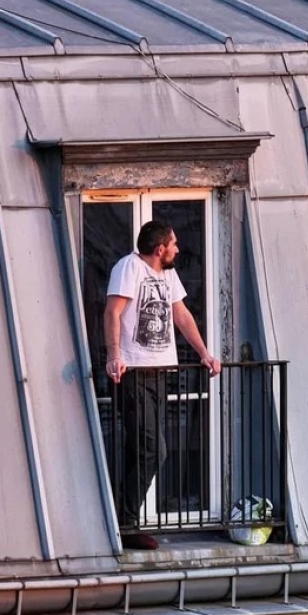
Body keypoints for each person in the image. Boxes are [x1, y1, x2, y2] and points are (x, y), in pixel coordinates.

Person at [104, 220, 221, 550]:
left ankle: (122, 520)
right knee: (154, 449)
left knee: (141, 450)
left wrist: (204, 353)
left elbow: (182, 315)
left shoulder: (167, 275)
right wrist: (114, 355)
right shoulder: (129, 268)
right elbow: (112, 313)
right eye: (174, 244)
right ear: (160, 249)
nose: (178, 249)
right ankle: (125, 523)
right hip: (134, 373)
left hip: (158, 373)